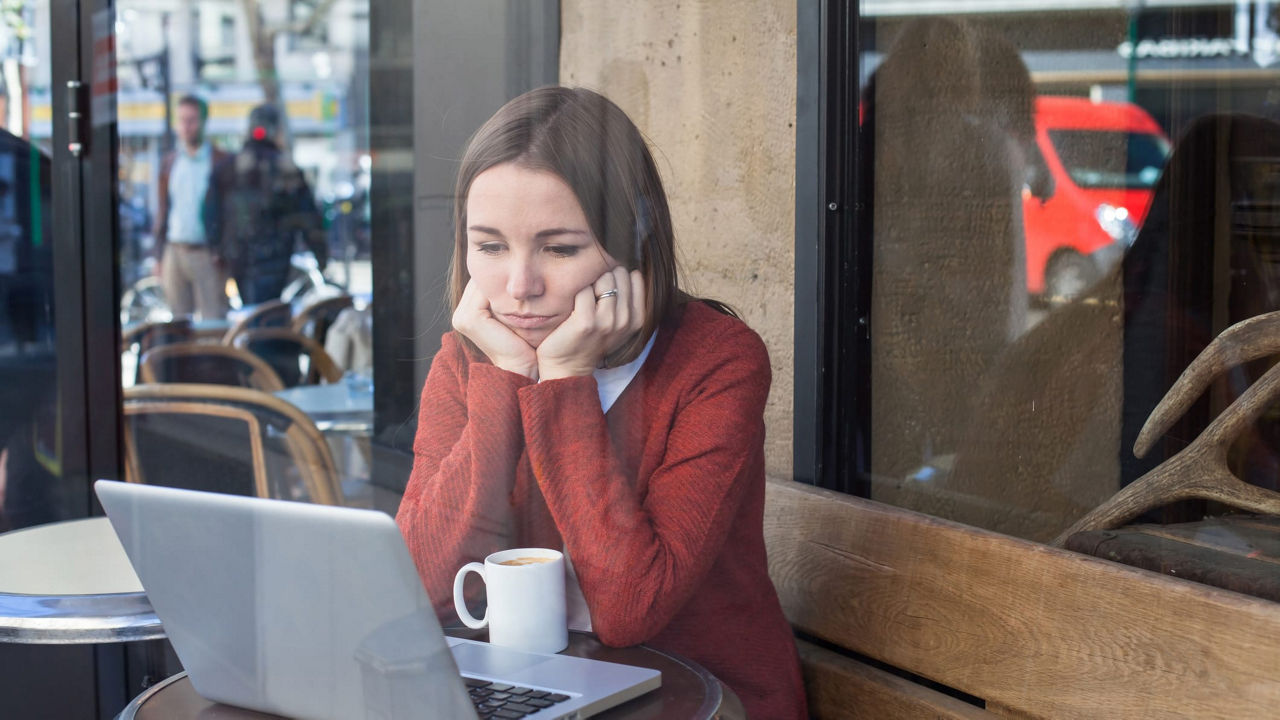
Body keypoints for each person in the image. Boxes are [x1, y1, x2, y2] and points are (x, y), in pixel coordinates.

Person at [395, 87, 807, 718]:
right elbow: (419, 589)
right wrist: (505, 377)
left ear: (633, 230)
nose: (519, 287)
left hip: (699, 700)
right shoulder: (469, 362)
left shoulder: (717, 361)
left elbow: (628, 608)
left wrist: (563, 379)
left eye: (560, 249)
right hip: (536, 691)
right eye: (490, 246)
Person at [203, 103, 327, 305]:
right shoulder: (287, 168)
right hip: (276, 256)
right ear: (276, 130)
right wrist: (321, 256)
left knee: (252, 310)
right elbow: (309, 218)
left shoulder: (227, 169)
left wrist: (216, 248)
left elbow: (210, 214)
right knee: (269, 310)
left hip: (238, 255)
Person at [153, 95, 229, 320]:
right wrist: (159, 255)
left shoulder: (219, 161)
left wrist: (222, 250)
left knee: (212, 319)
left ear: (204, 122)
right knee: (178, 322)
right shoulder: (171, 162)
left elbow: (229, 212)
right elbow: (164, 209)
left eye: (192, 120)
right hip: (175, 249)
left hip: (206, 253)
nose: (186, 127)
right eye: (182, 120)